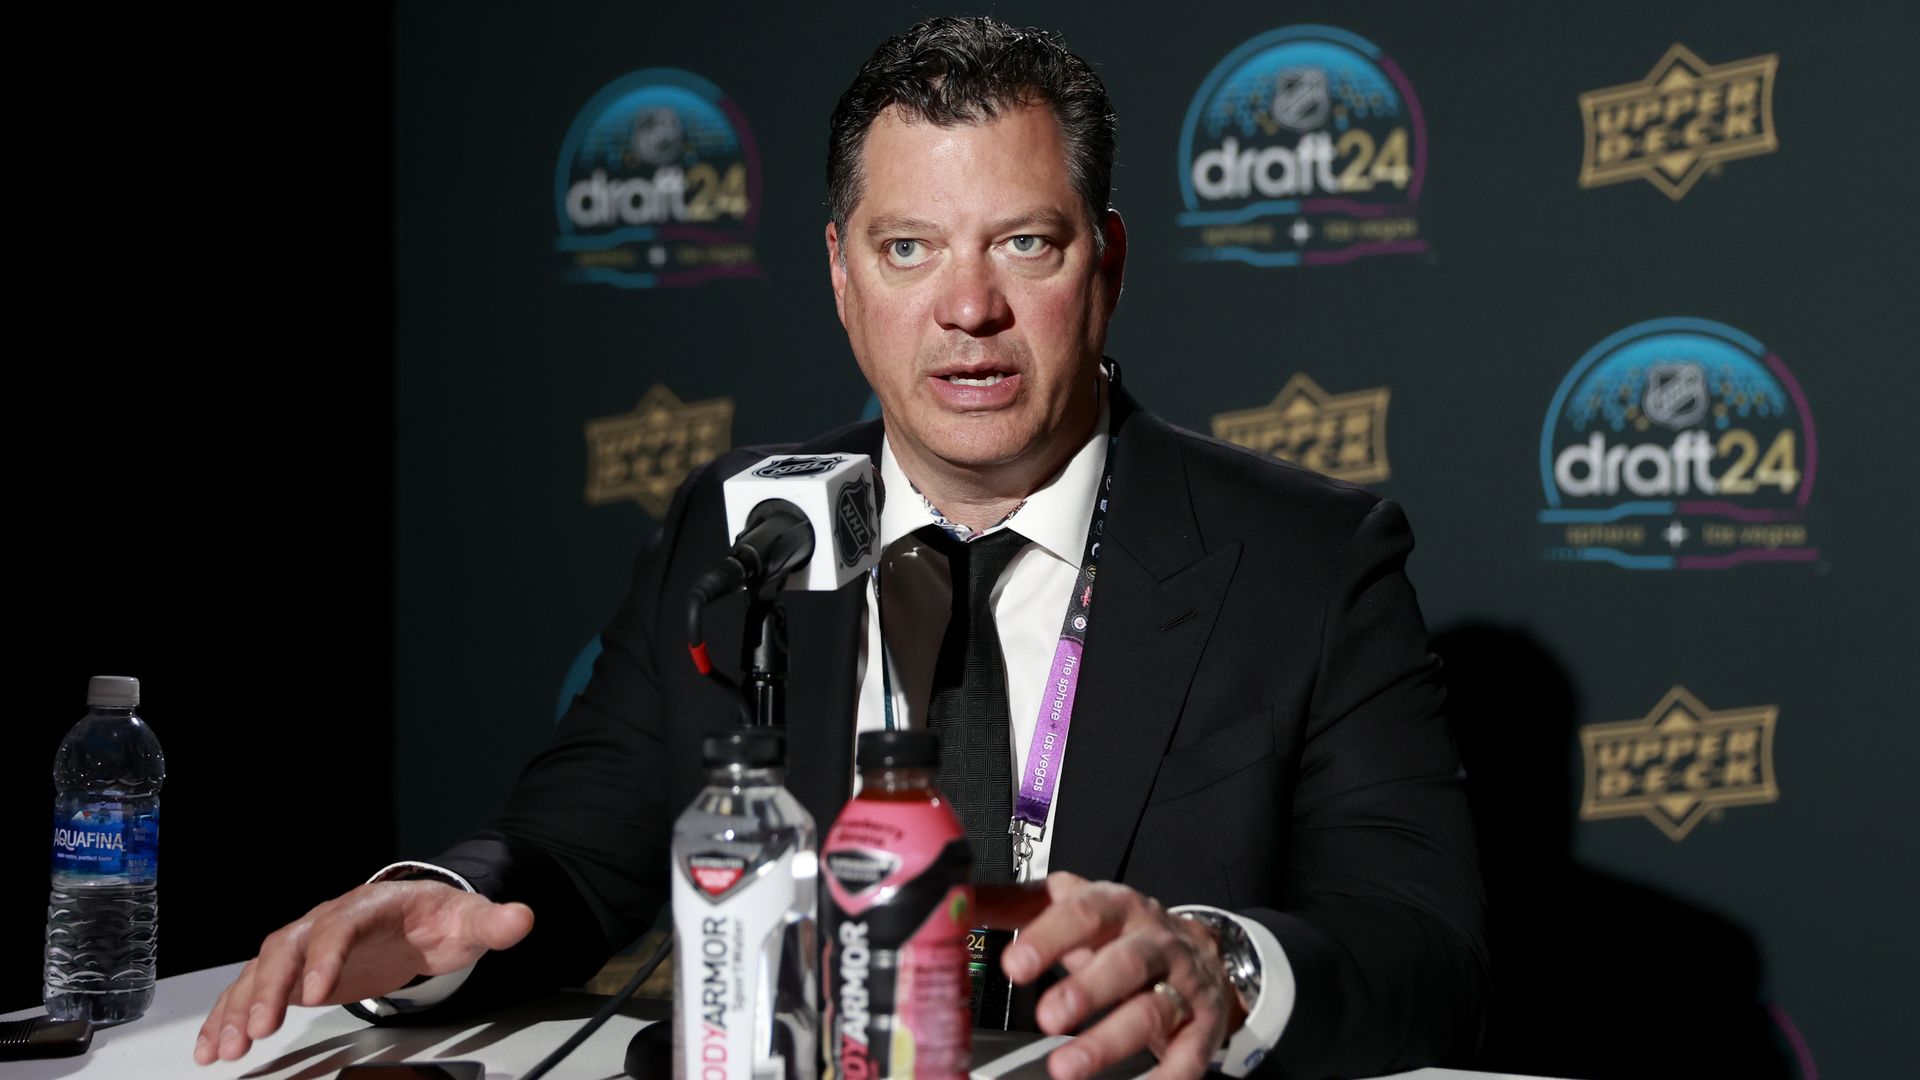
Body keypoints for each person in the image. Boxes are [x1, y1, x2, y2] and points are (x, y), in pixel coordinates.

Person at [195, 16, 1487, 1080]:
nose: (968, 307)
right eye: (908, 248)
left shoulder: (1307, 561)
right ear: (840, 275)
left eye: (1023, 243)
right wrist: (438, 908)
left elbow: (1423, 949)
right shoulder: (742, 526)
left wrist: (1222, 963)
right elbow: (573, 845)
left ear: (1106, 264)